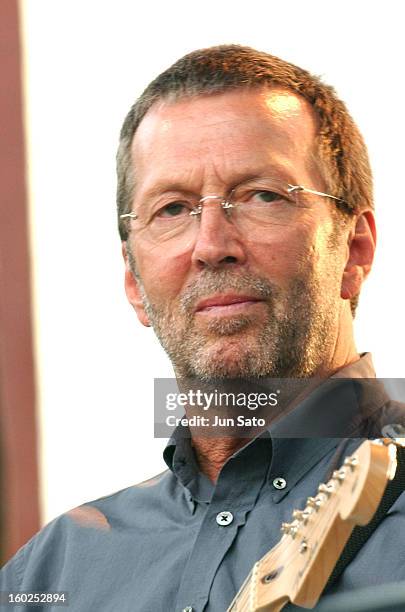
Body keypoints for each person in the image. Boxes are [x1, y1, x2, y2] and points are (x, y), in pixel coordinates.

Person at [1, 44, 405, 612]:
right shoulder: (51, 571)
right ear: (133, 281)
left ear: (355, 250)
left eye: (262, 196)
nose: (211, 246)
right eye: (171, 209)